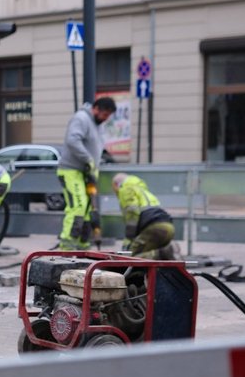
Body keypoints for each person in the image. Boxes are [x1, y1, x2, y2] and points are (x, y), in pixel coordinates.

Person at [55, 97, 116, 250]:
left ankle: (83, 245)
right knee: (78, 206)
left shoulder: (98, 124)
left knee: (89, 210)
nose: (105, 118)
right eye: (104, 115)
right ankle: (66, 247)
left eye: (108, 116)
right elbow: (72, 140)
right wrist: (88, 159)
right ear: (96, 109)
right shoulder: (81, 119)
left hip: (86, 172)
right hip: (71, 170)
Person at [112, 173, 177, 259]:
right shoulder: (143, 191)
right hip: (168, 226)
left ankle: (161, 254)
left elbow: (132, 212)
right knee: (148, 254)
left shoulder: (126, 189)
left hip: (154, 227)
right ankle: (164, 257)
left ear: (116, 184)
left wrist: (129, 238)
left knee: (131, 258)